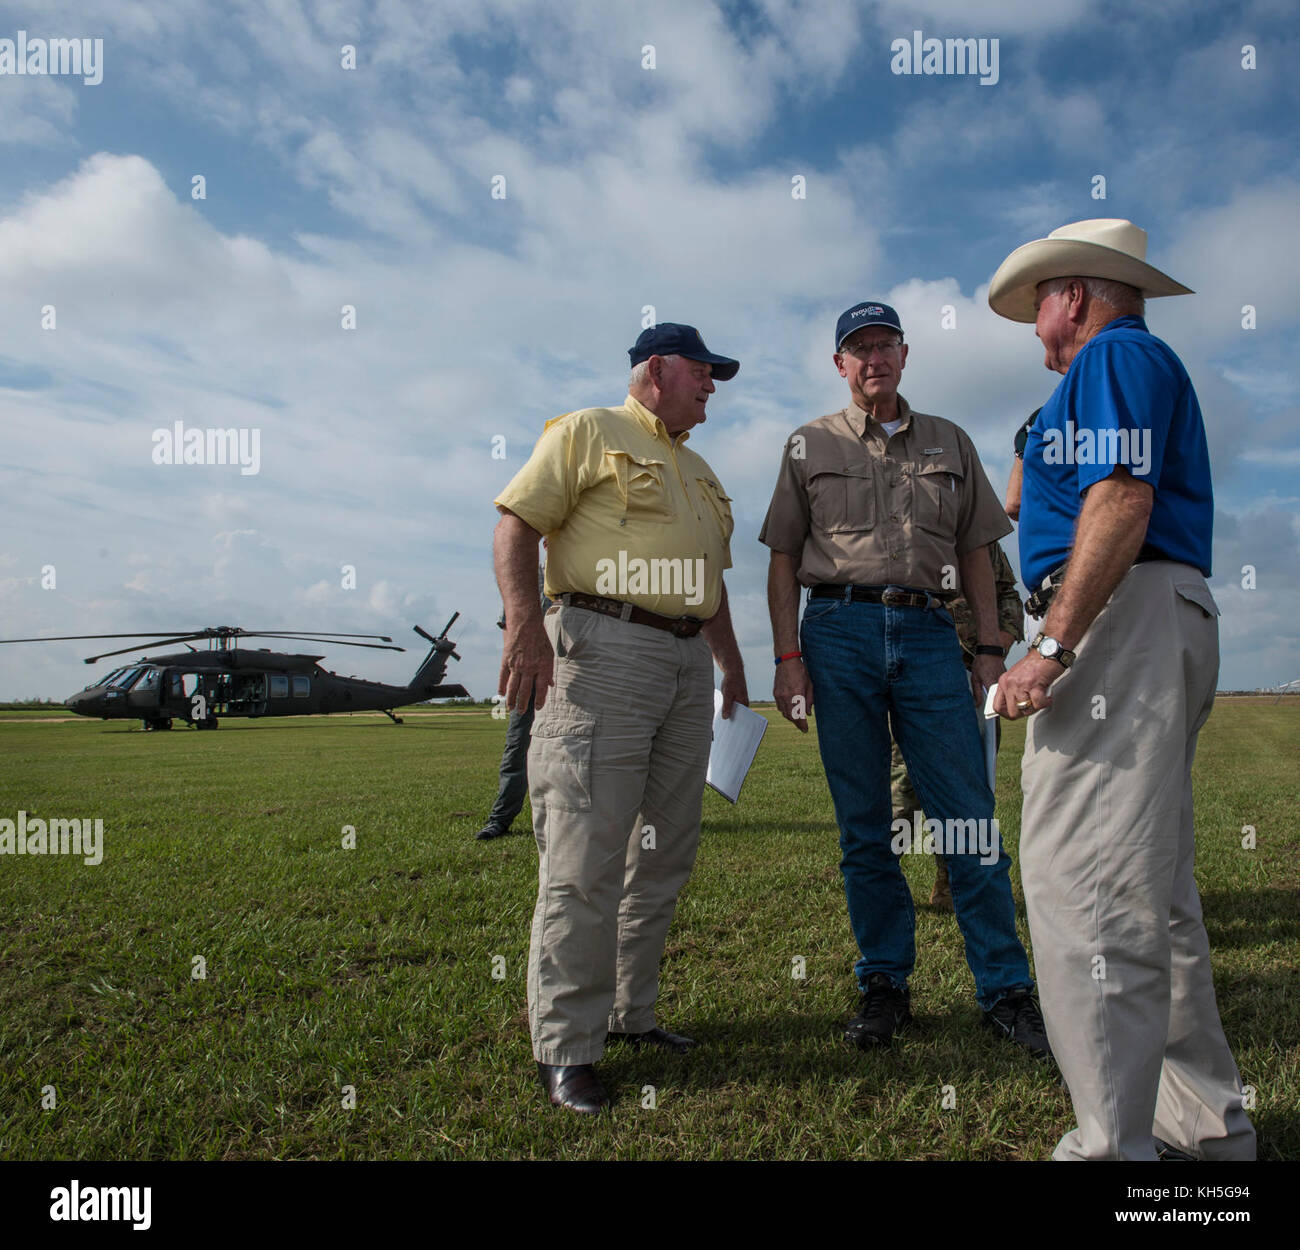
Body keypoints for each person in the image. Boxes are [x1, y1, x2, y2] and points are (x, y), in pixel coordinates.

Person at [988, 217, 1256, 1160]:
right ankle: (1206, 1130)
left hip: (1117, 612)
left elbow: (1123, 498)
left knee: (1086, 883)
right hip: (1153, 608)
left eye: (1037, 308)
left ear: (1073, 296)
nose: (1033, 329)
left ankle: (1112, 1154)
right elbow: (1026, 499)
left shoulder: (1114, 358)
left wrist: (1050, 649)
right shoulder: (1105, 378)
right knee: (1152, 885)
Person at [760, 301, 1048, 1056]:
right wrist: (788, 659)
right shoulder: (807, 444)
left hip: (928, 631)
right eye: (858, 348)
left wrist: (989, 645)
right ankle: (884, 984)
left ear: (905, 354)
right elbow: (784, 557)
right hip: (837, 630)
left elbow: (980, 549)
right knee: (866, 828)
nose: (873, 358)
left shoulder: (951, 440)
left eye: (884, 344)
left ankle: (1007, 991)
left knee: (967, 818)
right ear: (839, 364)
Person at [494, 322, 748, 1115]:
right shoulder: (586, 432)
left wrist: (731, 662)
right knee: (585, 852)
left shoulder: (701, 471)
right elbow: (517, 526)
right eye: (703, 373)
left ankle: (630, 1017)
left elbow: (710, 581)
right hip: (602, 647)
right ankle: (566, 1047)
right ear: (656, 371)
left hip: (683, 662)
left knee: (662, 852)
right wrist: (524, 625)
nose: (712, 387)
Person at [890, 540, 1023, 909]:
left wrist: (992, 648)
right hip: (916, 677)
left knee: (971, 788)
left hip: (975, 684)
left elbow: (1008, 596)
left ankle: (951, 887)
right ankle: (881, 880)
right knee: (906, 790)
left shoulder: (982, 537)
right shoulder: (904, 531)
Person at [475, 566, 549, 841]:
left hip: (571, 676)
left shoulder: (578, 570)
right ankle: (500, 819)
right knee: (517, 748)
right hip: (530, 675)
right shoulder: (528, 577)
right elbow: (510, 627)